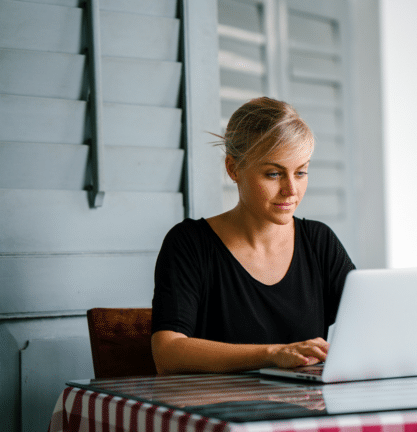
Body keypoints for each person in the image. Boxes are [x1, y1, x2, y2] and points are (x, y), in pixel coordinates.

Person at [151, 97, 355, 374]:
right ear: (233, 168)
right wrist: (273, 354)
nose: (291, 190)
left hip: (303, 412)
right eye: (273, 174)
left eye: (301, 172)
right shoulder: (189, 243)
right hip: (222, 413)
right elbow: (167, 353)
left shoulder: (320, 242)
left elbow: (370, 326)